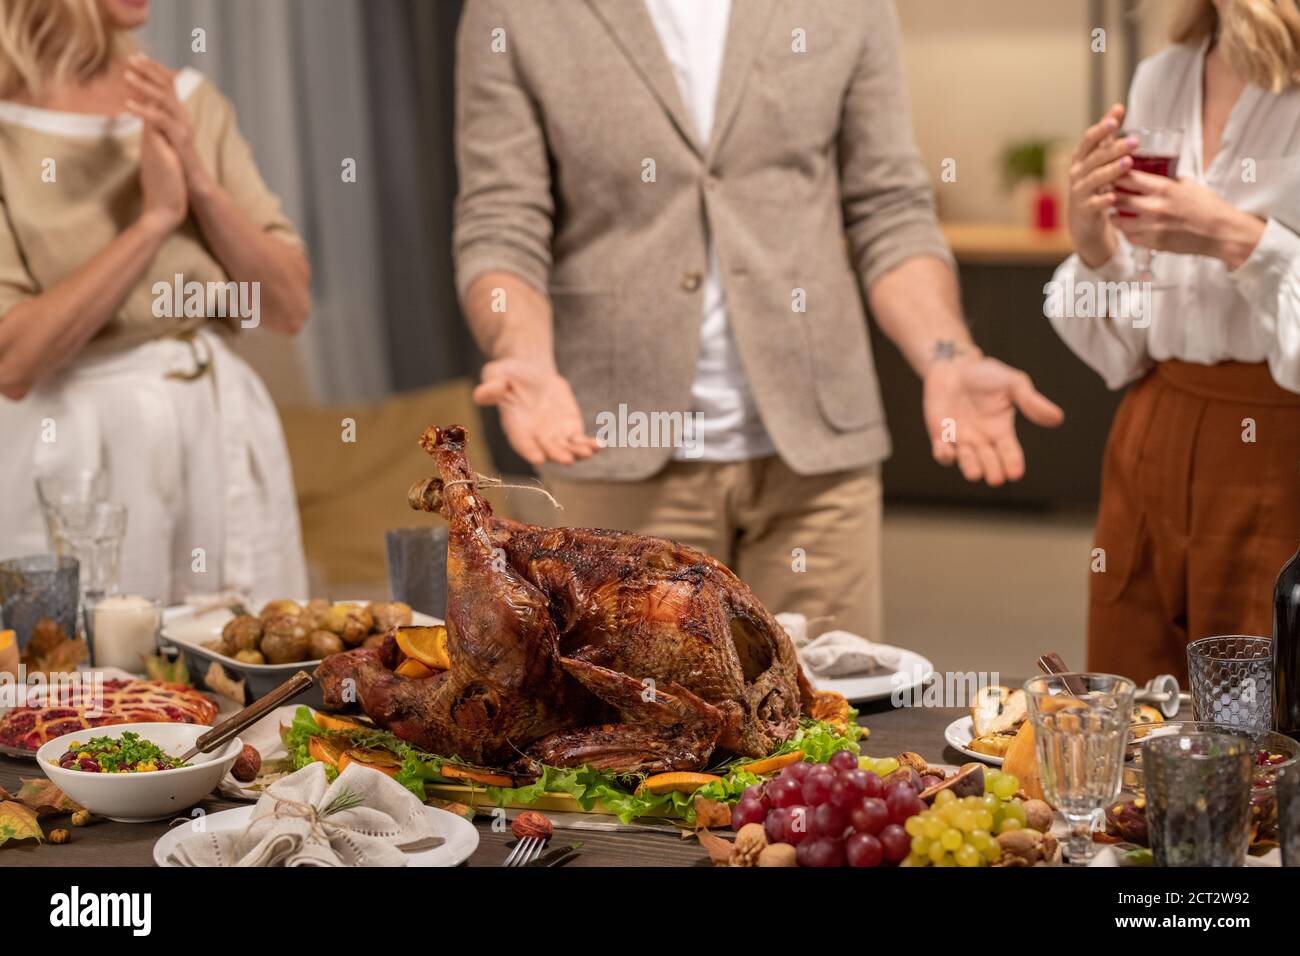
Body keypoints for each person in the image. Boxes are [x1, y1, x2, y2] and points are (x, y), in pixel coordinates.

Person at [453, 0, 1063, 642]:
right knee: (638, 724)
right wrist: (523, 350)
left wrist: (948, 354)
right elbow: (502, 218)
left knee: (829, 720)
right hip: (610, 438)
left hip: (815, 462)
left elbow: (888, 206)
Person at [0, 0, 311, 603]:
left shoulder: (188, 102)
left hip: (217, 430)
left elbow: (286, 305)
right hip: (71, 453)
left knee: (248, 669)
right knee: (96, 685)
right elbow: (13, 360)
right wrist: (155, 221)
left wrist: (197, 180)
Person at [1052, 0, 1300, 682]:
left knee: (1262, 718)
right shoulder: (1161, 76)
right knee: (1133, 699)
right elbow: (1124, 343)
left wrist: (1238, 239)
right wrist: (1095, 245)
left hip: (1279, 440)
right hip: (1154, 427)